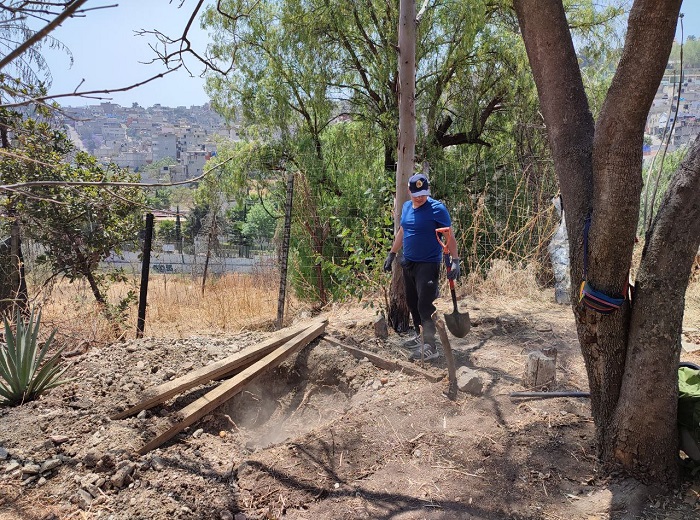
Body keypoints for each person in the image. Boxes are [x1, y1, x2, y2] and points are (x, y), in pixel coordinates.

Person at [383, 173, 460, 361]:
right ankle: (420, 336)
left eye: (423, 193)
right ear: (409, 191)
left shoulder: (437, 209)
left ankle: (430, 346)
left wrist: (456, 260)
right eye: (416, 193)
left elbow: (449, 236)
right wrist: (392, 253)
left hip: (428, 263)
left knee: (425, 304)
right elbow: (403, 231)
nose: (420, 197)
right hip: (409, 262)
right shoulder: (407, 207)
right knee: (412, 302)